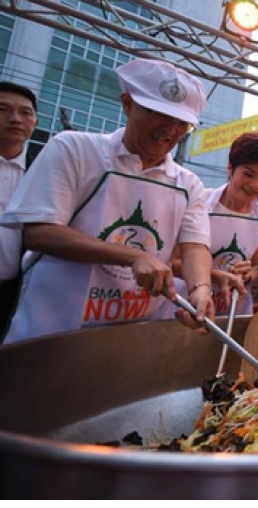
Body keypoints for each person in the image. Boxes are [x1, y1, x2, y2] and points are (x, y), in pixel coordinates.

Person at [0, 58, 215, 344]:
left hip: (132, 328)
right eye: (157, 114)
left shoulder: (188, 183)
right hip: (52, 328)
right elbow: (39, 231)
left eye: (181, 123)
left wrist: (200, 288)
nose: (170, 129)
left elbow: (194, 247)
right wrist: (132, 255)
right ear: (127, 104)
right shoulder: (74, 148)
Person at [157, 132, 258, 318]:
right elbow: (171, 261)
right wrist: (213, 275)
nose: (256, 185)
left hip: (234, 312)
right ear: (230, 168)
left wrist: (250, 273)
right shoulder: (199, 202)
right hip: (187, 307)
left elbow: (256, 266)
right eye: (248, 174)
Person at [0, 82, 38, 337]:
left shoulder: (44, 169)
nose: (15, 119)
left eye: (25, 113)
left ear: (35, 121)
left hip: (13, 291)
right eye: (3, 110)